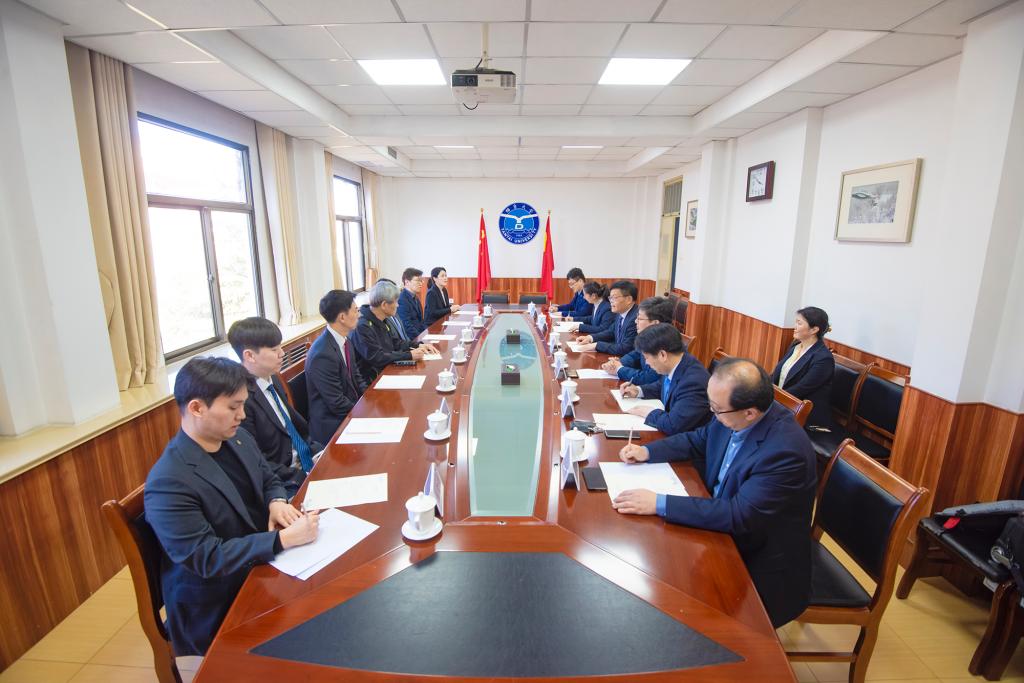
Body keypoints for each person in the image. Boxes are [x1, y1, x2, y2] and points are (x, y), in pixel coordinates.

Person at [613, 358, 817, 627]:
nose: (712, 413)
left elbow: (738, 515)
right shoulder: (732, 415)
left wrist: (658, 503)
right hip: (719, 527)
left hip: (757, 559)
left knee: (681, 612)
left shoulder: (785, 451)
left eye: (716, 409)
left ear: (750, 413)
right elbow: (698, 439)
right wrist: (647, 452)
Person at [144, 357, 319, 656]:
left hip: (259, 567)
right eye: (233, 407)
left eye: (243, 405)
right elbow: (207, 558)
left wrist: (276, 501)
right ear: (196, 408)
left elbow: (268, 476)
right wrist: (281, 540)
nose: (242, 415)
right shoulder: (169, 482)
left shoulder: (237, 438)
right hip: (218, 599)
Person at [228, 317, 321, 497]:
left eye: (280, 347)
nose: (282, 353)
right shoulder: (240, 400)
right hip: (284, 481)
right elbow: (257, 460)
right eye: (274, 350)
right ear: (249, 355)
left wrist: (318, 454)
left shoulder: (271, 378)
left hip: (306, 459)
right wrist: (302, 475)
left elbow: (294, 429)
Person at [620, 323, 711, 435]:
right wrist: (638, 390)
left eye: (647, 357)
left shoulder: (693, 382)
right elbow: (663, 386)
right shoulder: (676, 363)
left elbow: (673, 425)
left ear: (662, 355)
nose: (646, 363)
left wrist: (649, 412)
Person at [306, 289, 368, 445]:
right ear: (342, 317)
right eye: (356, 310)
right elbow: (336, 403)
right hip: (333, 423)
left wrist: (370, 399)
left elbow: (356, 377)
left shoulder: (345, 340)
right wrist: (365, 412)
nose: (359, 314)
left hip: (349, 410)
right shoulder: (322, 354)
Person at [352, 280, 439, 382]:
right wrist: (409, 355)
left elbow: (395, 342)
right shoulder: (363, 326)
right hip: (373, 380)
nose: (398, 305)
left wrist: (418, 345)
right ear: (384, 305)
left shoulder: (382, 319)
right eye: (396, 302)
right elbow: (377, 357)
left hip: (388, 370)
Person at [771, 306, 835, 427]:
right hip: (783, 403)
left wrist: (771, 399)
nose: (795, 327)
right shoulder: (796, 346)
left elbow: (801, 389)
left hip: (805, 415)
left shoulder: (823, 358)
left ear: (814, 329)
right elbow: (776, 375)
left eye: (799, 323)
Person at [602, 296, 675, 386]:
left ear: (655, 323)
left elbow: (649, 378)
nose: (635, 321)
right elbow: (635, 355)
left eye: (640, 319)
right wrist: (618, 363)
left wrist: (619, 369)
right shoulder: (649, 337)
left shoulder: (663, 345)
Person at [575, 280, 639, 356]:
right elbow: (610, 332)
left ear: (628, 300)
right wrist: (590, 338)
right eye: (610, 298)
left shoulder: (636, 318)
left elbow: (625, 348)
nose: (611, 301)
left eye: (614, 298)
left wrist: (597, 345)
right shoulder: (620, 313)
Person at [397, 267, 427, 338]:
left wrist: (426, 333)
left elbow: (421, 321)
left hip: (420, 335)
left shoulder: (416, 297)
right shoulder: (402, 299)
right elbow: (407, 326)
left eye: (421, 280)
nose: (421, 283)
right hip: (412, 339)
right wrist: (420, 338)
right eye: (417, 280)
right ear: (407, 282)